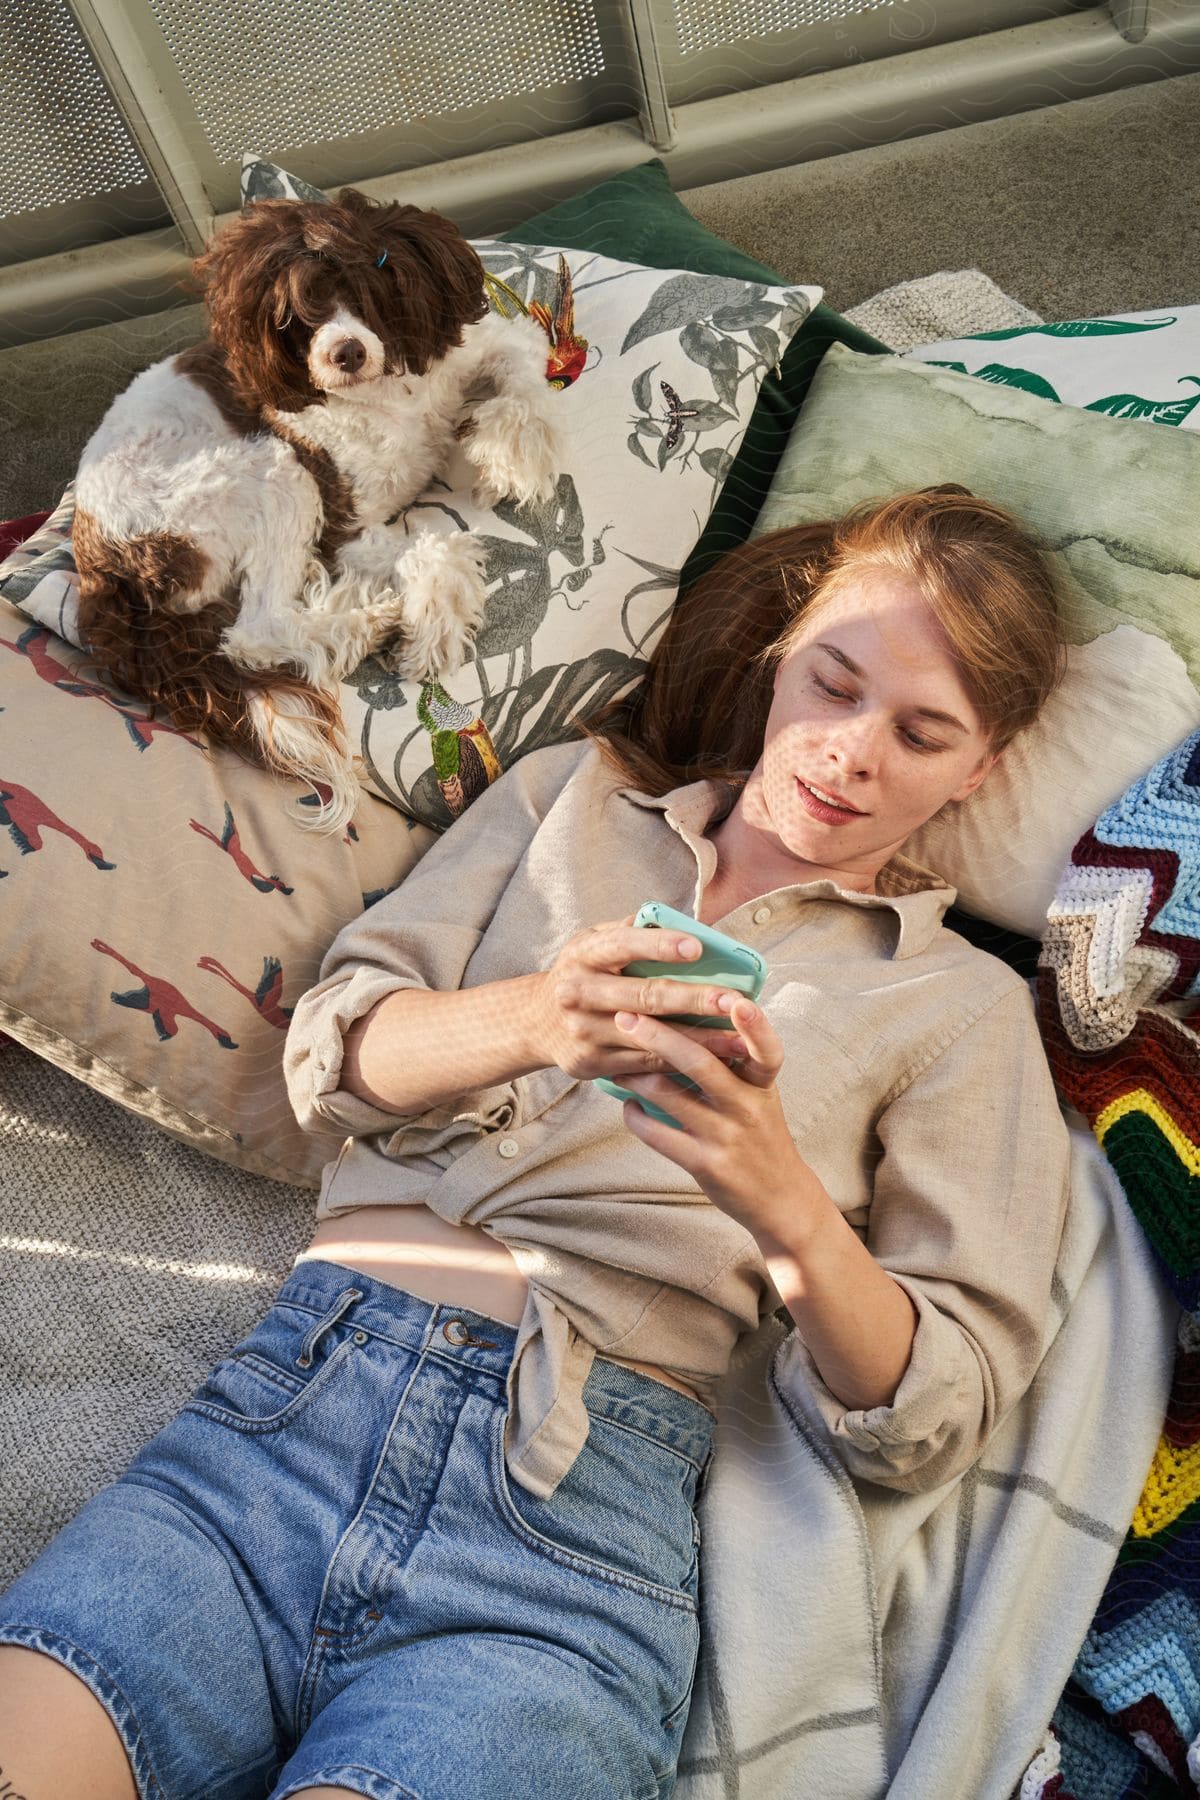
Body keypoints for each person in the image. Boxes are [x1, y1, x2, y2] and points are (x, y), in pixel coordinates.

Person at [0, 485, 1073, 1800]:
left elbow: (930, 1417)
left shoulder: (959, 1008)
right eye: (836, 684)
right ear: (782, 653)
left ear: (981, 769)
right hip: (280, 1430)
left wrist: (783, 1202)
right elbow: (332, 1059)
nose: (852, 752)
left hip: (566, 1532)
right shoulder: (571, 798)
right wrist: (537, 1016)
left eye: (921, 734)